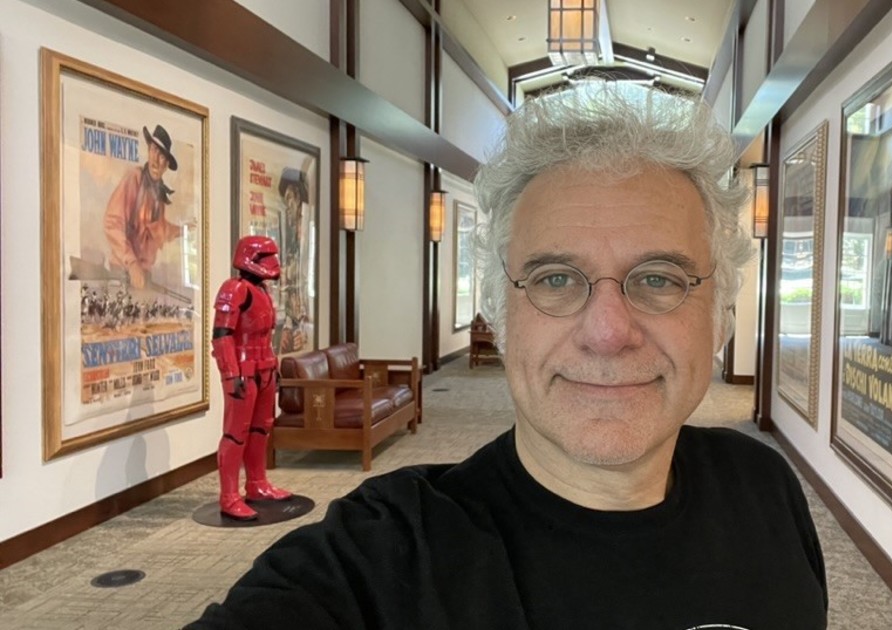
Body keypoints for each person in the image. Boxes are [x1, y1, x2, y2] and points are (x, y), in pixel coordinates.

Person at [191, 85, 827, 628]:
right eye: (556, 279)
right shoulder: (382, 556)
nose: (608, 332)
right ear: (500, 314)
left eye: (659, 278)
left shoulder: (765, 489)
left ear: (720, 315)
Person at [210, 235, 293, 520]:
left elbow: (266, 335)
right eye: (265, 257)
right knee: (236, 433)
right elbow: (221, 336)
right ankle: (229, 497)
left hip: (264, 368)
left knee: (261, 429)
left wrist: (274, 368)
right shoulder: (234, 289)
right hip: (243, 371)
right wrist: (231, 373)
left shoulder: (262, 291)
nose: (272, 263)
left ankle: (257, 484)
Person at [104, 124, 185, 290]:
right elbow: (112, 223)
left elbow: (159, 230)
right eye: (154, 150)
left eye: (161, 156)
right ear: (148, 150)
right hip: (123, 274)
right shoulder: (134, 178)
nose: (155, 160)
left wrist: (185, 230)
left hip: (143, 277)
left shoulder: (159, 195)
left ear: (166, 164)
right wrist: (132, 263)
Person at [275, 167, 310, 353]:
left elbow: (303, 286)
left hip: (300, 325)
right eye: (287, 200)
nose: (289, 207)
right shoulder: (286, 242)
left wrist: (303, 330)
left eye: (292, 199)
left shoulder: (306, 243)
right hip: (288, 323)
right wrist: (285, 328)